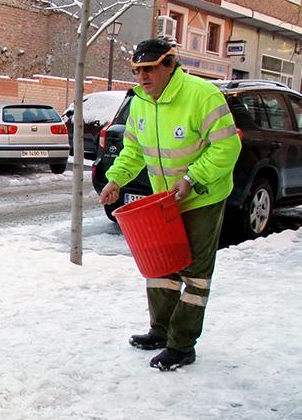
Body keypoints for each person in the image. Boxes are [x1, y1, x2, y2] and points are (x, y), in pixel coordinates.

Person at [98, 38, 241, 371]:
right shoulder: (141, 102)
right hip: (164, 200)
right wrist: (116, 180)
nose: (143, 77)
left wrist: (191, 178)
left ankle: (182, 344)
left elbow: (227, 148)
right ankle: (160, 331)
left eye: (149, 69)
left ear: (169, 65)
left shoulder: (202, 96)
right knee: (161, 266)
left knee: (194, 273)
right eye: (137, 71)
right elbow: (133, 150)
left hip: (203, 196)